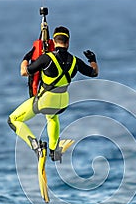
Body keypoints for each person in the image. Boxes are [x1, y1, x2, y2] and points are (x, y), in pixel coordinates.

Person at [8, 26, 99, 161]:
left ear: (54, 41)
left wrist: (26, 58)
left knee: (13, 120)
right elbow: (94, 72)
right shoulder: (75, 61)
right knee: (52, 117)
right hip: (62, 103)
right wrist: (93, 60)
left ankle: (36, 147)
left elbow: (24, 72)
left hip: (45, 101)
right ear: (68, 42)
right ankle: (53, 151)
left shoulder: (46, 58)